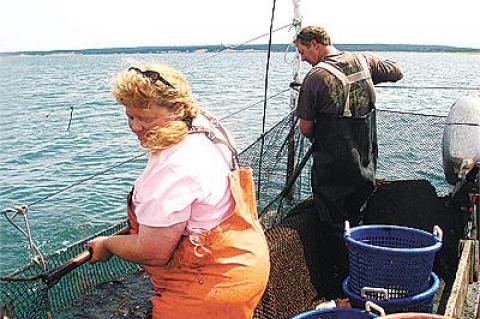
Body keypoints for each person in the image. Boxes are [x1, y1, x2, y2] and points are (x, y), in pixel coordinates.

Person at [86, 62, 270, 319]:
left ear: (177, 108)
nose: (135, 127)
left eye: (145, 118)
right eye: (130, 116)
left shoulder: (172, 165)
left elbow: (154, 252)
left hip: (210, 289)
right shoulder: (203, 122)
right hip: (246, 258)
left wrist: (108, 244)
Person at [293, 26, 403, 294]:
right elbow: (397, 71)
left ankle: (344, 286)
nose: (303, 58)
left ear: (316, 44)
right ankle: (364, 270)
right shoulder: (362, 61)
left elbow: (305, 128)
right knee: (358, 215)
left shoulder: (315, 78)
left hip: (333, 170)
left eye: (303, 51)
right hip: (364, 163)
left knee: (334, 226)